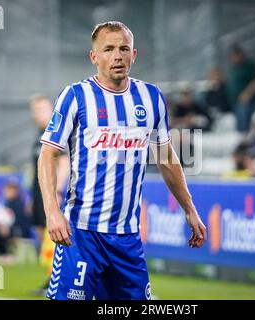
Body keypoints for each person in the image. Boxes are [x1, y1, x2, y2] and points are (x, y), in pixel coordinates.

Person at [38, 21, 207, 300]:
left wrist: (189, 208)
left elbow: (165, 156)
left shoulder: (151, 97)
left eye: (123, 48)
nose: (117, 55)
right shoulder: (75, 96)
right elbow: (48, 153)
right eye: (108, 49)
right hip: (81, 234)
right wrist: (52, 211)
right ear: (94, 57)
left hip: (127, 239)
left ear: (133, 55)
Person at [29, 95, 70, 295]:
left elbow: (63, 163)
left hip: (52, 193)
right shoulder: (40, 134)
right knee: (42, 237)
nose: (39, 114)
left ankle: (57, 282)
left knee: (53, 238)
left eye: (43, 109)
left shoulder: (57, 132)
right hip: (39, 191)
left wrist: (58, 192)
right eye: (36, 110)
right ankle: (51, 279)